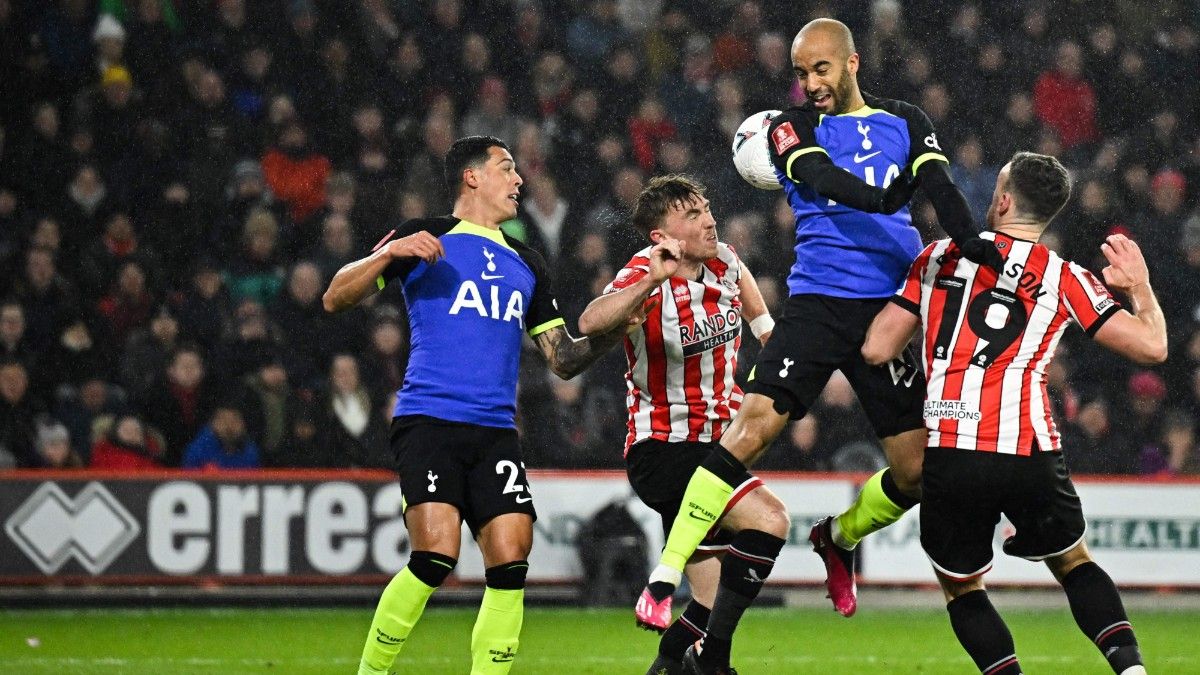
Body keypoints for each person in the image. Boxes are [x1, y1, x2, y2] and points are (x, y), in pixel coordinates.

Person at [639, 16, 1005, 646]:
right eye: (801, 73)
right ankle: (665, 576)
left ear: (852, 63)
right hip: (816, 303)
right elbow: (820, 177)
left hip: (890, 308)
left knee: (916, 471)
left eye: (820, 69)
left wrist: (977, 247)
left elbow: (941, 188)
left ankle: (837, 538)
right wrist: (887, 196)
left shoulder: (908, 119)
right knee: (751, 429)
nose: (809, 83)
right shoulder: (790, 128)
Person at [325, 135, 633, 675]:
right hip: (430, 420)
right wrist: (389, 252)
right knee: (435, 557)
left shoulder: (527, 260)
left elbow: (561, 358)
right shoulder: (427, 236)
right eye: (507, 168)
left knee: (512, 558)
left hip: (495, 431)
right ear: (473, 177)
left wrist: (610, 333)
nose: (518, 180)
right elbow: (334, 296)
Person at [861, 151, 1162, 675]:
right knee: (1073, 562)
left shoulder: (939, 257)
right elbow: (1152, 348)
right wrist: (1140, 287)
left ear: (1001, 201)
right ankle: (1132, 670)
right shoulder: (1066, 278)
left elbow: (877, 349)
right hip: (1028, 448)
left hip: (954, 450)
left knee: (962, 587)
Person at [578, 175, 790, 674]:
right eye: (691, 215)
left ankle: (673, 662)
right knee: (771, 521)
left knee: (710, 605)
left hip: (721, 440)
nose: (709, 219)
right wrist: (652, 278)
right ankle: (714, 664)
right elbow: (589, 322)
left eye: (706, 208)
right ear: (661, 236)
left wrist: (768, 337)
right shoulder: (643, 272)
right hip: (665, 448)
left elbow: (752, 302)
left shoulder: (725, 261)